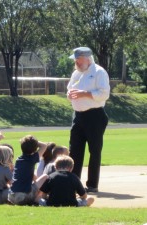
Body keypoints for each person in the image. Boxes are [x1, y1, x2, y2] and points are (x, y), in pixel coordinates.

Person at [67, 47, 110, 192]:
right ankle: (73, 183)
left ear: (87, 58)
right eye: (75, 60)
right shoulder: (76, 73)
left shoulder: (99, 72)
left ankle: (92, 185)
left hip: (95, 116)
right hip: (78, 116)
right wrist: (70, 95)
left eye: (78, 59)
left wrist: (84, 94)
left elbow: (104, 94)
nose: (76, 62)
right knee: (75, 150)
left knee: (94, 150)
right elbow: (69, 89)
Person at [8, 135, 48, 205]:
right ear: (35, 149)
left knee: (35, 180)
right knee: (45, 176)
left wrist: (26, 142)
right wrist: (33, 142)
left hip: (11, 196)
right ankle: (37, 200)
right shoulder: (31, 159)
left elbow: (32, 175)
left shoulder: (19, 159)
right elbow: (44, 146)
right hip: (22, 197)